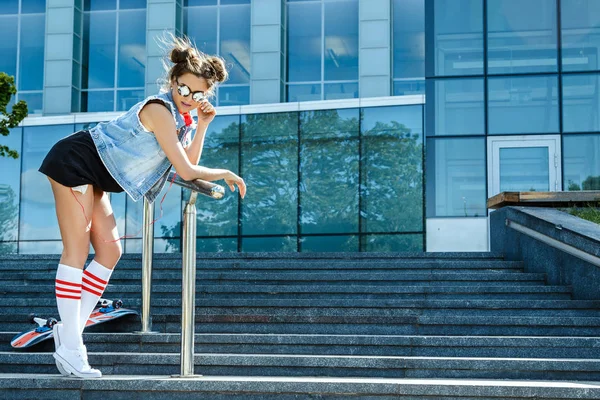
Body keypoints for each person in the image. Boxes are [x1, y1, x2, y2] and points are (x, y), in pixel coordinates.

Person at [38, 34, 246, 378]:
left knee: (110, 252)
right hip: (74, 161)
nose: (189, 99)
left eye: (198, 94)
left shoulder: (185, 121)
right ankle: (73, 346)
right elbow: (186, 170)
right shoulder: (159, 110)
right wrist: (224, 172)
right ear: (173, 81)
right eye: (184, 89)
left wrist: (204, 125)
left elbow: (187, 160)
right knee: (76, 251)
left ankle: (67, 331)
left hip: (97, 174)